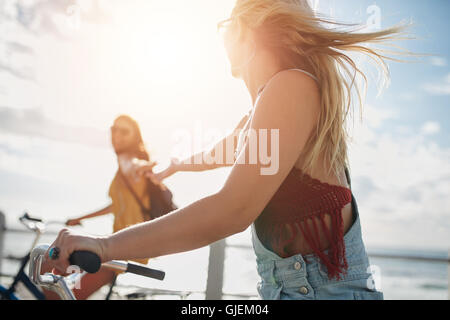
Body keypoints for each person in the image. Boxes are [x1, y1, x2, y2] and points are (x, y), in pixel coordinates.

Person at [44, 0, 409, 300]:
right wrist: (175, 167)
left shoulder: (291, 87)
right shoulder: (264, 110)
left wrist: (104, 246)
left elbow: (232, 209)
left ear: (242, 30)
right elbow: (220, 153)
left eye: (225, 24)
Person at [44, 115, 157, 300]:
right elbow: (115, 206)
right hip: (117, 245)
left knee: (65, 293)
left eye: (124, 131)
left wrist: (145, 166)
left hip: (125, 249)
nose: (117, 134)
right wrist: (81, 218)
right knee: (53, 275)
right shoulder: (122, 170)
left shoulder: (130, 163)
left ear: (135, 137)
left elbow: (135, 165)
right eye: (114, 129)